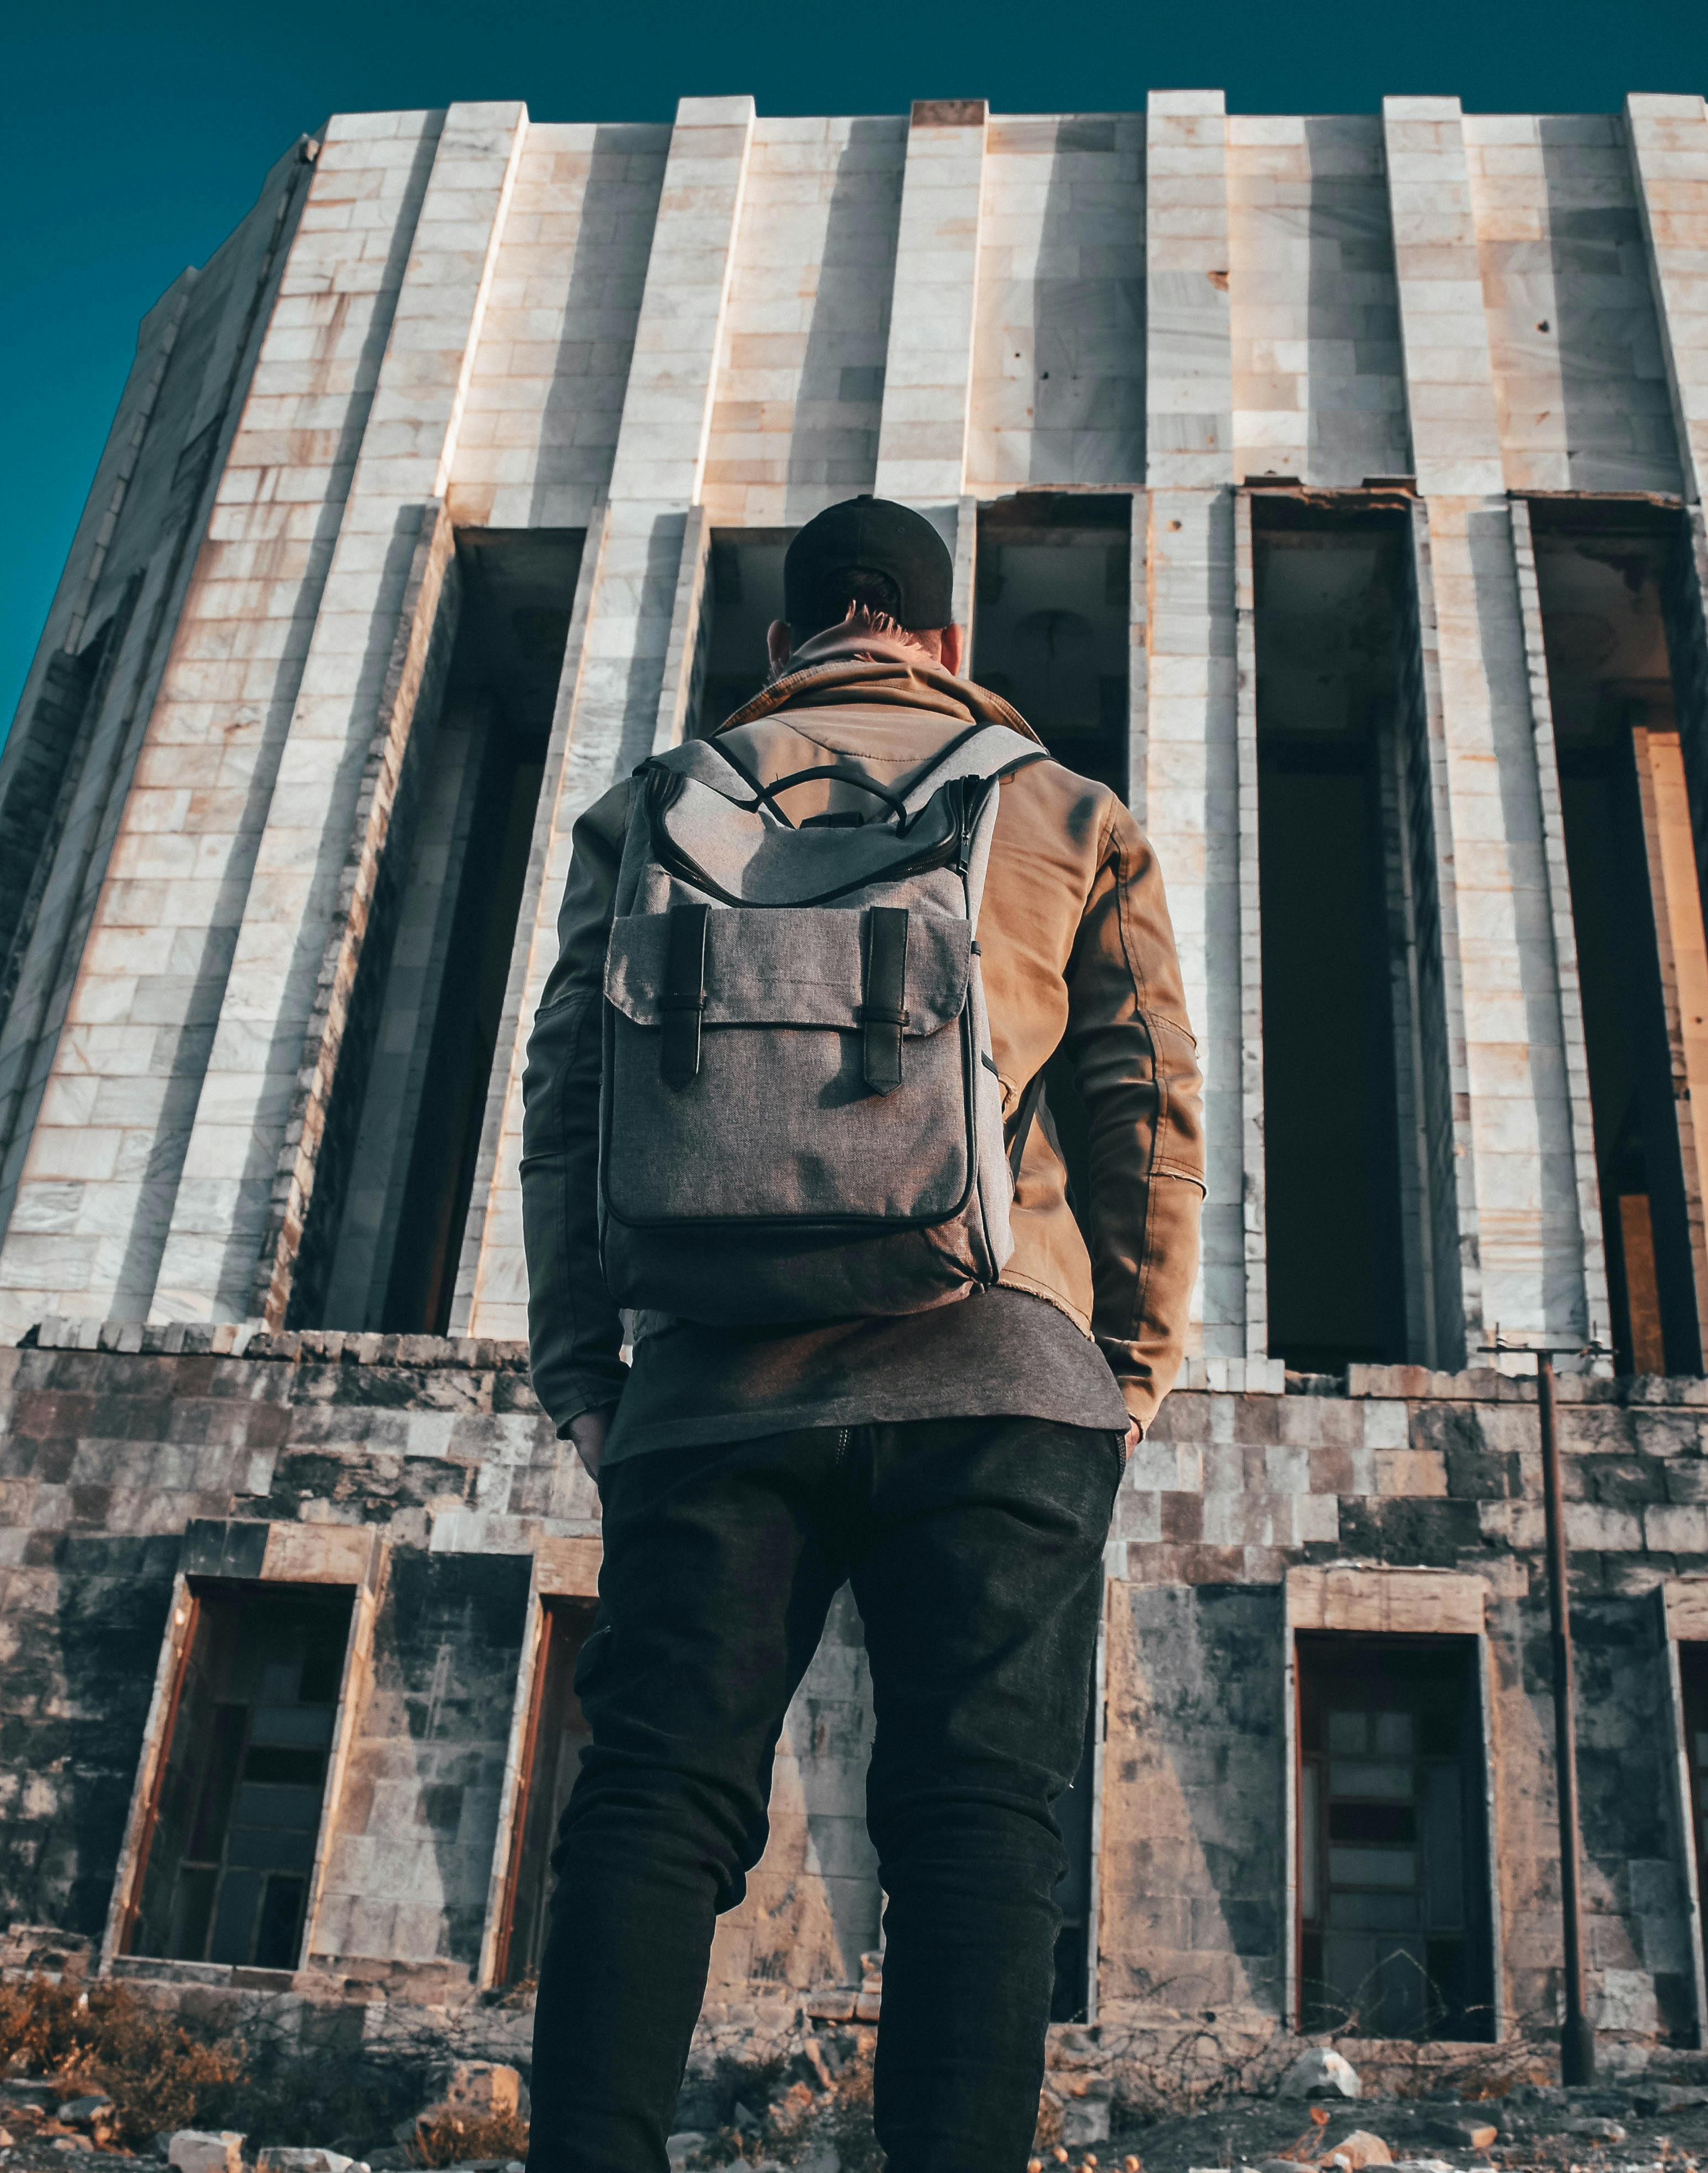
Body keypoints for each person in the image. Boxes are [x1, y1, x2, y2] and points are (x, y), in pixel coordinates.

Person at [516, 494, 1203, 2171]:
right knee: (977, 1829)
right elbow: (1145, 1103)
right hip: (999, 1373)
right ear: (947, 643)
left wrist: (584, 1376)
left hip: (710, 1388)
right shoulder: (1060, 808)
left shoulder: (656, 808)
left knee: (655, 1807)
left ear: (785, 641)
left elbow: (564, 1098)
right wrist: (1128, 1369)